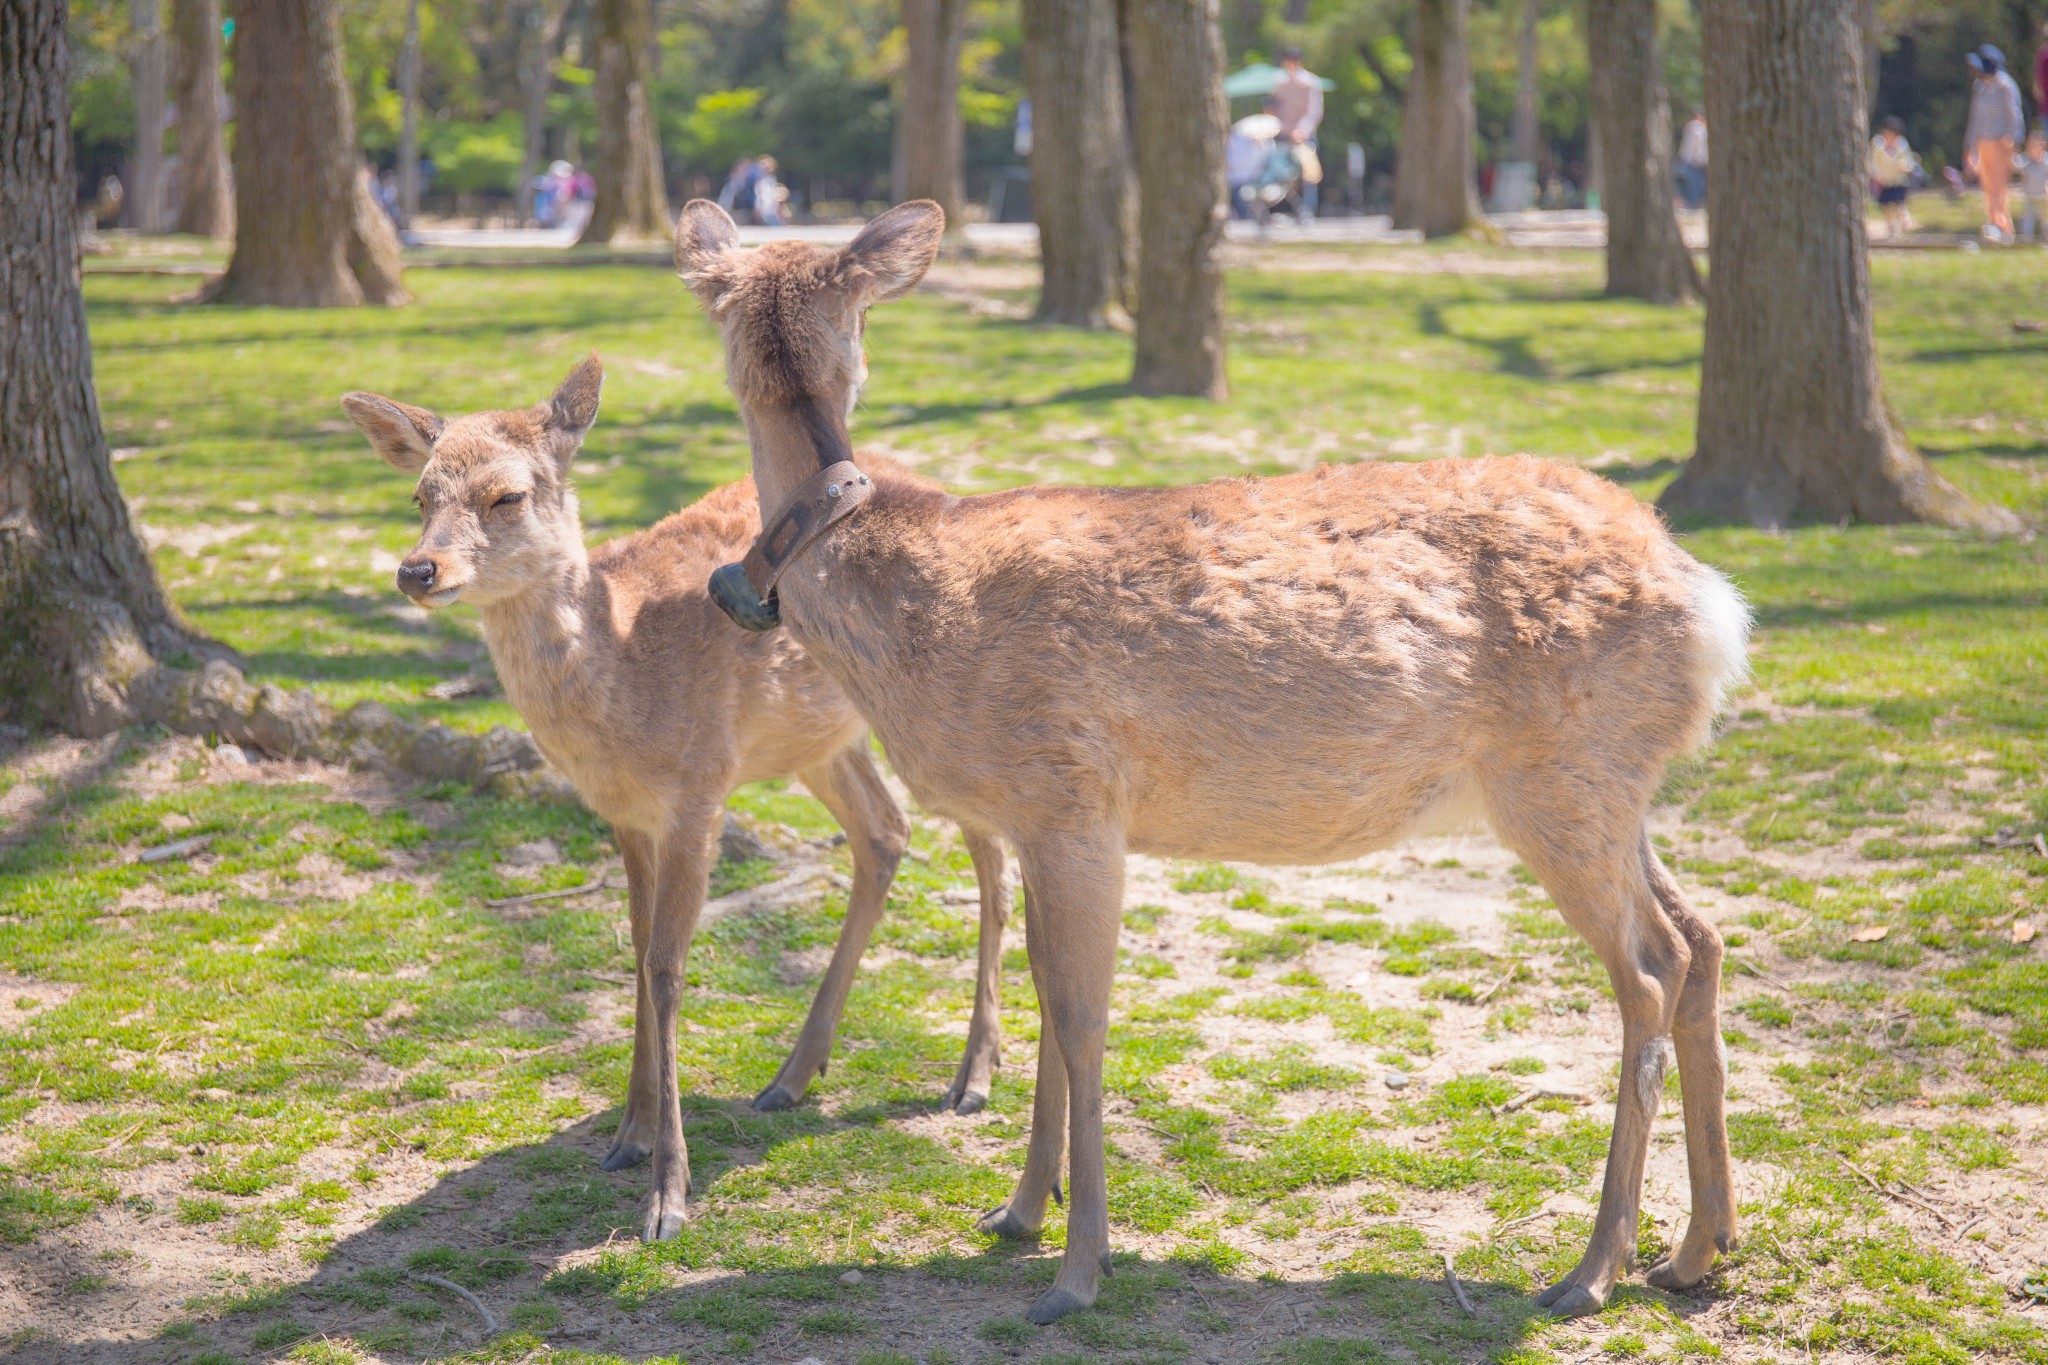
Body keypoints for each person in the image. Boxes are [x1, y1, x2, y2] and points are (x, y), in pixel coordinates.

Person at [1965, 45, 2024, 242]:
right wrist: (1970, 147)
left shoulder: (2005, 85)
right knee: (1988, 187)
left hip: (2001, 142)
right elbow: (1975, 119)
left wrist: (2012, 141)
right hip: (1984, 142)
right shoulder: (1980, 87)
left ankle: (2004, 227)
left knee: (2000, 188)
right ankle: (1993, 224)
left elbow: (2014, 116)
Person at [1271, 46, 1324, 219]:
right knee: (1280, 172)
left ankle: (1308, 211)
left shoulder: (1310, 82)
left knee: (1309, 174)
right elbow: (1274, 108)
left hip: (1305, 135)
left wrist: (1302, 130)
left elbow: (1314, 110)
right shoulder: (1279, 82)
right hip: (1283, 134)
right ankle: (1280, 209)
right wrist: (1284, 128)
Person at [1226, 99, 1280, 220]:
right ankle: (1245, 219)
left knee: (1241, 192)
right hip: (1242, 162)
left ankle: (1246, 219)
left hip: (1244, 166)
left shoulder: (1266, 122)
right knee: (1241, 192)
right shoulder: (1260, 121)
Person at [1869, 116, 1918, 240]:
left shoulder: (1901, 144)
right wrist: (1875, 174)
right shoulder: (1877, 143)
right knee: (1885, 204)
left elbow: (1908, 160)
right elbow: (1872, 161)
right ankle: (1890, 226)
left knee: (1899, 202)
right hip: (1884, 180)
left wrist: (1906, 168)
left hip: (1899, 180)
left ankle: (1904, 222)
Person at [2020, 127, 2048, 242]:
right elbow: (2015, 164)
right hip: (2030, 197)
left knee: (2045, 220)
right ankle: (2026, 239)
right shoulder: (2025, 160)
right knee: (2028, 219)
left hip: (2043, 197)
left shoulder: (2046, 161)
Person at [1677, 110, 1709, 210]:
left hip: (1684, 163)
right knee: (1694, 194)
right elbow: (1699, 149)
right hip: (1694, 166)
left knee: (1685, 192)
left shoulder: (1689, 127)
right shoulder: (1698, 128)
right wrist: (1705, 162)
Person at [752, 155, 787, 228]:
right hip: (765, 209)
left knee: (775, 227)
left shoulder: (768, 180)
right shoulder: (762, 180)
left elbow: (769, 196)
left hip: (770, 209)